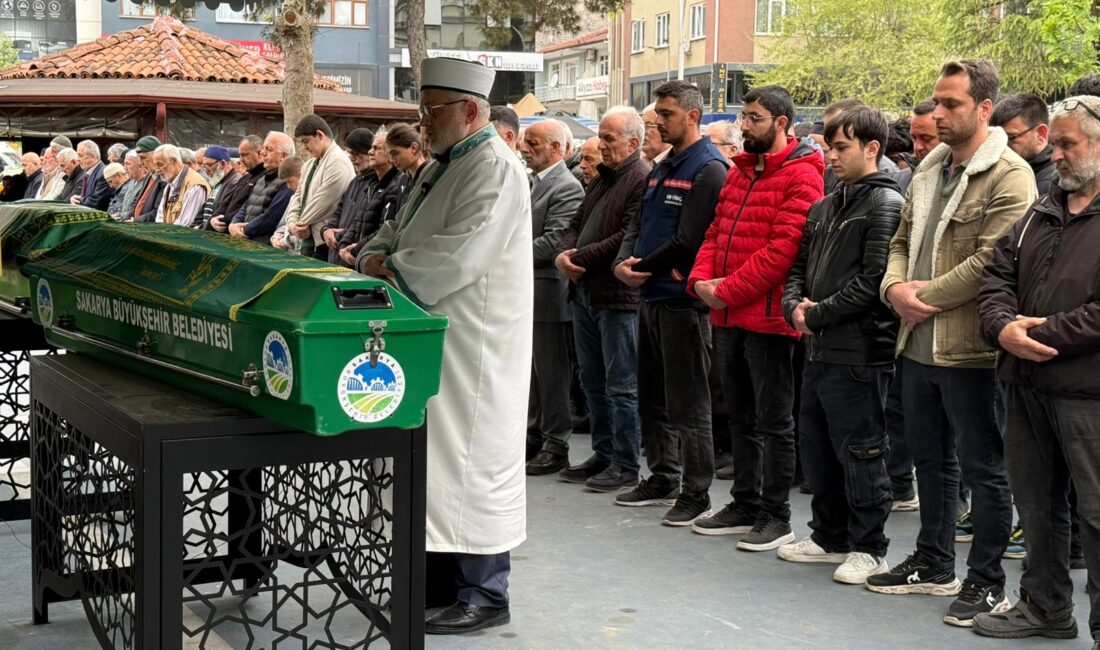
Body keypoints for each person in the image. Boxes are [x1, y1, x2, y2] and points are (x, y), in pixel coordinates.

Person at [355, 57, 531, 635]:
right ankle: (434, 582)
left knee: (470, 461)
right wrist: (371, 256)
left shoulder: (496, 168)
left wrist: (392, 269)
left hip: (473, 344)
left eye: (432, 111)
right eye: (422, 109)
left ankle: (484, 592)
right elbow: (395, 230)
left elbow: (463, 253)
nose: (422, 122)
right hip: (426, 333)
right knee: (430, 462)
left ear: (472, 111)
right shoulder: (439, 166)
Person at [869, 59, 1036, 628]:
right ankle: (934, 562)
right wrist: (895, 288)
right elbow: (899, 239)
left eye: (951, 105)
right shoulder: (928, 167)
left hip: (971, 350)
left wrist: (925, 296)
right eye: (936, 103)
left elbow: (993, 259)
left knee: (983, 467)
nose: (937, 114)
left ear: (985, 109)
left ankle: (987, 582)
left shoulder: (1011, 175)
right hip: (916, 342)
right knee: (929, 461)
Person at [974, 94, 1100, 643]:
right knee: (1037, 503)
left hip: (1087, 394)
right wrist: (1003, 327)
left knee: (1097, 516)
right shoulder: (1044, 206)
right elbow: (997, 274)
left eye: (1070, 144)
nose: (1059, 154)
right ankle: (1046, 606)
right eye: (1057, 143)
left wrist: (1033, 335)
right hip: (1025, 383)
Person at [687, 84, 825, 551]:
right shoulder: (740, 173)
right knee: (739, 416)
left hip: (768, 321)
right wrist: (703, 282)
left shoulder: (804, 176)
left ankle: (775, 514)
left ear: (782, 123)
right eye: (743, 117)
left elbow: (783, 251)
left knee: (774, 422)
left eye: (754, 118)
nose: (744, 126)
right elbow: (716, 231)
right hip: (728, 316)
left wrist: (724, 291)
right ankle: (744, 501)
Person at [777, 106, 902, 584]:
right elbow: (798, 266)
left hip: (860, 350)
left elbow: (874, 282)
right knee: (818, 443)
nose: (830, 156)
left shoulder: (885, 204)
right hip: (818, 346)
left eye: (841, 147)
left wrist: (815, 314)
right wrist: (794, 308)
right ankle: (830, 534)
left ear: (872, 148)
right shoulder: (825, 205)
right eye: (828, 146)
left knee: (862, 449)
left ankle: (870, 546)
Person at [611, 80, 728, 524]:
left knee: (689, 403)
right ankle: (663, 475)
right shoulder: (663, 165)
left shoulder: (709, 167)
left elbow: (690, 239)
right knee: (652, 397)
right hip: (651, 296)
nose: (658, 118)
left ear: (693, 116)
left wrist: (641, 265)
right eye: (658, 111)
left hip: (682, 302)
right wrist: (626, 261)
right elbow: (639, 221)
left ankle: (696, 492)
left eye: (668, 112)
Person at [554, 106, 648, 492]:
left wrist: (577, 258)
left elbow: (626, 236)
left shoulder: (641, 179)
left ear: (633, 142)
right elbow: (575, 224)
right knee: (592, 380)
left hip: (616, 297)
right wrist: (563, 252)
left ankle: (626, 461)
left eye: (609, 138)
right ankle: (604, 452)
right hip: (586, 291)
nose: (602, 145)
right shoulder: (601, 180)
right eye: (602, 137)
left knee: (620, 384)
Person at [520, 119, 585, 476]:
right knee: (532, 373)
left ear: (558, 149)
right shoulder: (535, 183)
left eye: (534, 142)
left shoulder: (566, 187)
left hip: (549, 293)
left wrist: (506, 254)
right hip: (530, 292)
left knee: (553, 373)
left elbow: (555, 241)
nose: (526, 148)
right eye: (527, 141)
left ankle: (557, 442)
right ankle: (534, 436)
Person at [283, 114, 355, 259]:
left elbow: (324, 201)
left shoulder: (338, 161)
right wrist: (292, 225)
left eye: (306, 141)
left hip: (326, 242)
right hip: (309, 239)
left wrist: (299, 224)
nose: (305, 147)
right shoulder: (310, 164)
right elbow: (298, 197)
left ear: (320, 135)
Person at [335, 127, 409, 265]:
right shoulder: (371, 185)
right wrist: (344, 245)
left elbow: (385, 229)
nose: (370, 152)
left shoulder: (397, 187)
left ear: (391, 153)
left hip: (373, 262)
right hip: (358, 259)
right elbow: (357, 222)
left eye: (376, 148)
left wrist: (356, 249)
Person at [320, 127, 380, 266]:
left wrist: (342, 235)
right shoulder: (355, 181)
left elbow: (366, 223)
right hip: (337, 255)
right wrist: (327, 230)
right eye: (350, 153)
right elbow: (339, 210)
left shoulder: (376, 184)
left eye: (357, 153)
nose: (353, 158)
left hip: (352, 256)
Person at [227, 132, 293, 244]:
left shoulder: (287, 183)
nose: (262, 153)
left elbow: (270, 218)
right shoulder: (261, 178)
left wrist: (243, 230)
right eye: (263, 149)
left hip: (263, 247)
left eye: (269, 149)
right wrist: (233, 224)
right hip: (245, 241)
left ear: (283, 156)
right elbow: (246, 206)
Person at [991, 92, 1056, 196]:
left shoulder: (1052, 184)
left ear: (1040, 134)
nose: (1002, 146)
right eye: (996, 138)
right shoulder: (1004, 171)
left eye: (1010, 138)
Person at [208, 135, 264, 233]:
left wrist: (223, 221)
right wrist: (213, 219)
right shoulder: (245, 178)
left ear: (259, 153)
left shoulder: (263, 179)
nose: (240, 159)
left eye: (245, 155)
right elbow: (226, 203)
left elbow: (246, 209)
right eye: (240, 155)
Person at [152, 144, 210, 227]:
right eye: (155, 165)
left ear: (174, 161)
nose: (157, 170)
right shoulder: (170, 184)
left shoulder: (195, 185)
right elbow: (160, 217)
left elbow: (184, 224)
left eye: (160, 164)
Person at [197, 145, 244, 230]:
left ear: (222, 164)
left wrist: (203, 227)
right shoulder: (218, 180)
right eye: (204, 166)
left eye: (209, 165)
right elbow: (203, 212)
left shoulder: (235, 182)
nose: (206, 171)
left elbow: (221, 215)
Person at [130, 136, 166, 223]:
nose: (140, 163)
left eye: (143, 158)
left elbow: (158, 212)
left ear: (155, 156)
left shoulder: (164, 179)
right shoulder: (148, 176)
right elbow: (138, 203)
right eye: (139, 158)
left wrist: (135, 220)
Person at [70, 140, 111, 210]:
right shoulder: (88, 172)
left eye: (80, 155)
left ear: (93, 157)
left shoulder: (103, 174)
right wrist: (73, 198)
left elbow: (96, 202)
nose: (77, 159)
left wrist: (77, 201)